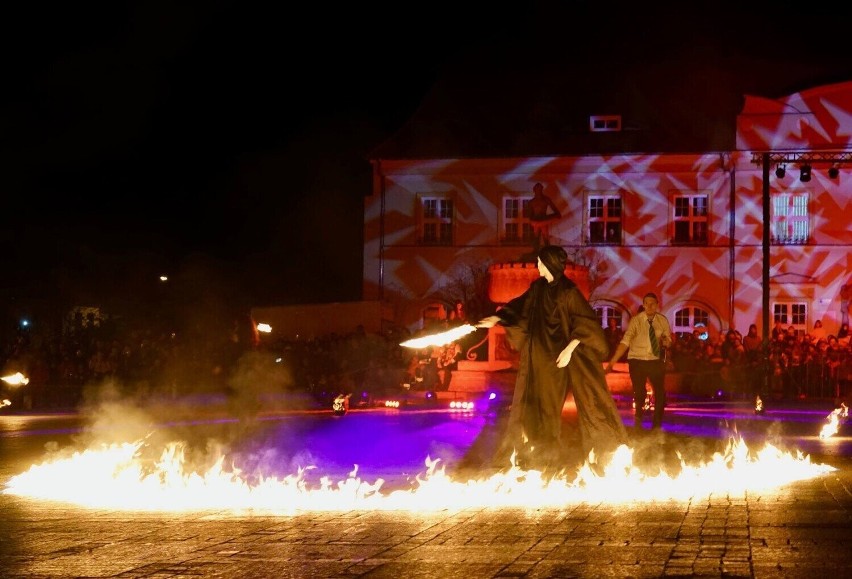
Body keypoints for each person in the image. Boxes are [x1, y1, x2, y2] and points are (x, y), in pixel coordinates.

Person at [478, 245, 627, 471]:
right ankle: (536, 454)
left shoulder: (568, 291)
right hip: (537, 356)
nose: (537, 266)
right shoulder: (537, 288)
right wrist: (497, 317)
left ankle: (553, 455)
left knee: (549, 406)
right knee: (532, 404)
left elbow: (587, 324)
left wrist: (569, 350)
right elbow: (520, 306)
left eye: (540, 262)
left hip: (556, 359)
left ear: (550, 264)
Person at [605, 293, 672, 432]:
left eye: (652, 303)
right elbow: (625, 341)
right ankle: (638, 421)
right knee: (639, 392)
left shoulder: (662, 321)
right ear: (643, 305)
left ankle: (656, 426)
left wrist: (666, 342)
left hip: (655, 360)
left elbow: (668, 338)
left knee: (660, 393)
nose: (649, 306)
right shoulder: (636, 321)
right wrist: (613, 361)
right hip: (637, 360)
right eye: (646, 303)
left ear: (657, 304)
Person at [526, 182, 562, 247]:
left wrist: (554, 216)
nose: (539, 191)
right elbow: (529, 215)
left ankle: (545, 247)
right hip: (536, 221)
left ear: (542, 190)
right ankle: (539, 248)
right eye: (537, 190)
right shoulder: (531, 202)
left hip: (543, 219)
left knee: (543, 232)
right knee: (538, 231)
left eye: (540, 189)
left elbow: (555, 210)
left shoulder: (546, 200)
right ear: (534, 190)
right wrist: (532, 220)